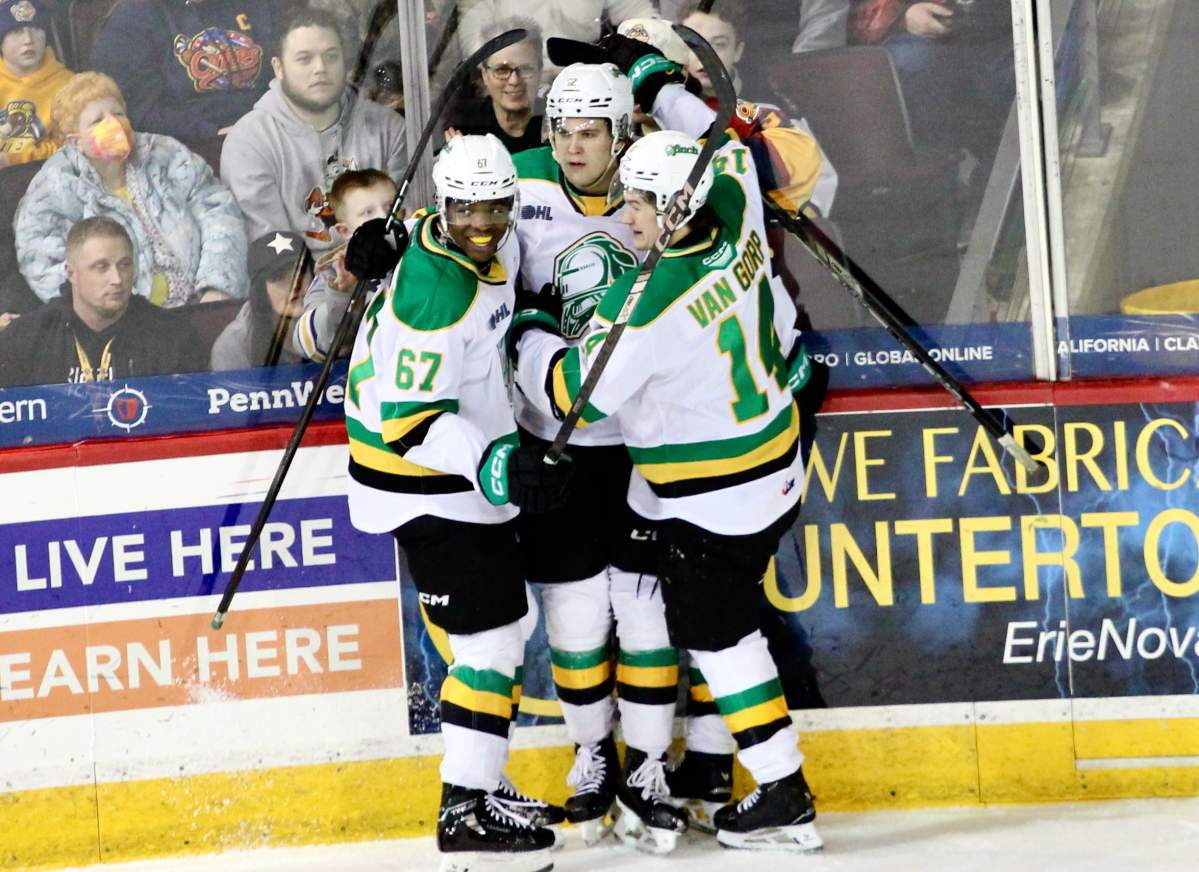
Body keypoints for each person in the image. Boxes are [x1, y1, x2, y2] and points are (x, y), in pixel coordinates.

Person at [512, 127, 824, 853]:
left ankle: (783, 790)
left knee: (715, 632)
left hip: (715, 494)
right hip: (775, 461)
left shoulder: (644, 305)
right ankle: (729, 769)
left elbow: (571, 397)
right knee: (729, 617)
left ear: (678, 208)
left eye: (642, 206)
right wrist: (654, 74)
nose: (626, 217)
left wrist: (530, 331)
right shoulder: (737, 203)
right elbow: (727, 152)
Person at [342, 133, 572, 871]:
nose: (481, 220)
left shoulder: (460, 237)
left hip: (452, 476)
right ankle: (463, 811)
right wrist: (498, 462)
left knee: (509, 624)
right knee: (492, 642)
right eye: (467, 206)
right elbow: (408, 427)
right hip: (420, 480)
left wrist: (386, 236)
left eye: (494, 206)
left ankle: (482, 781)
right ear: (444, 204)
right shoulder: (434, 295)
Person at [508, 61, 690, 853]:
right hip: (555, 441)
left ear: (623, 135)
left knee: (645, 605)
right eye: (561, 130)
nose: (572, 146)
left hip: (646, 438)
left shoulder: (660, 193)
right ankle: (591, 752)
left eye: (589, 132)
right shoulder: (516, 187)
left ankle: (648, 762)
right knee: (576, 606)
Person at [14, 72, 248, 305]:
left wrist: (217, 288)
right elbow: (43, 263)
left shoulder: (165, 154)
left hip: (202, 303)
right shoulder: (53, 187)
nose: (114, 124)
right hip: (124, 324)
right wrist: (112, 312)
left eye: (118, 114)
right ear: (75, 141)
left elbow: (218, 212)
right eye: (97, 121)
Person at [220, 5, 406, 253]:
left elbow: (409, 224)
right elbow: (270, 255)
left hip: (388, 271)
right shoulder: (248, 143)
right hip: (302, 283)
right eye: (304, 59)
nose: (320, 68)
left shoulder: (389, 128)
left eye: (331, 56)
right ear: (279, 68)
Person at [0, 216, 205, 387]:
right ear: (71, 273)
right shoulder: (25, 339)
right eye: (101, 267)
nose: (117, 279)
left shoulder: (172, 336)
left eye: (124, 265)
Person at [90, 0, 275, 146]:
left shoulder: (255, 4)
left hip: (270, 127)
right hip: (195, 147)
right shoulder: (131, 20)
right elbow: (139, 113)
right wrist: (212, 133)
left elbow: (285, 71)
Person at [292, 167, 397, 363]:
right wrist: (342, 295)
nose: (384, 218)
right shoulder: (335, 271)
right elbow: (309, 343)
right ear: (345, 231)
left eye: (391, 207)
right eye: (368, 212)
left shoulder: (423, 250)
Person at [456, 0, 658, 83]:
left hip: (589, 81)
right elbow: (472, 27)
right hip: (513, 83)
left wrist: (653, 47)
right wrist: (500, 71)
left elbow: (639, 14)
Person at [211, 229, 311, 370]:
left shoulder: (336, 319)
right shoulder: (234, 345)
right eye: (280, 278)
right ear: (260, 292)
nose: (296, 285)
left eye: (300, 272)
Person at [446, 18, 544, 155]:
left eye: (526, 69)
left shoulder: (555, 122)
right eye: (502, 70)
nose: (514, 80)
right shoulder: (465, 126)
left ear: (540, 70)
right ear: (485, 74)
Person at [0, 0, 73, 166]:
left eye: (36, 29)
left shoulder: (69, 86)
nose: (28, 39)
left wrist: (14, 159)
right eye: (17, 31)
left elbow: (71, 146)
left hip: (43, 173)